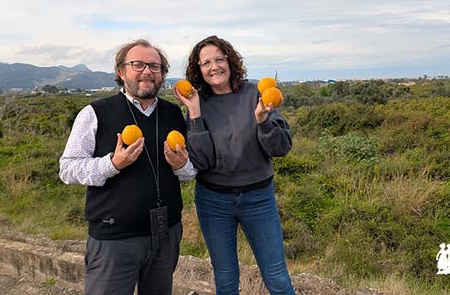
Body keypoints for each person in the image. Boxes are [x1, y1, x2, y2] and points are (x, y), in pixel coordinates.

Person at [59, 39, 195, 295]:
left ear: (163, 74)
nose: (147, 71)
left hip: (165, 234)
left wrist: (182, 165)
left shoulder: (173, 113)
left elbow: (188, 173)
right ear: (121, 72)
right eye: (138, 64)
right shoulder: (95, 113)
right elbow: (67, 169)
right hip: (114, 238)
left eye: (155, 66)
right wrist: (112, 164)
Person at [173, 35, 295, 295]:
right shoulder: (198, 103)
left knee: (278, 279)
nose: (214, 67)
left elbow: (282, 147)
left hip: (258, 199)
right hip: (213, 201)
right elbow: (202, 161)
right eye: (205, 63)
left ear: (230, 61)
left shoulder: (256, 93)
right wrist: (194, 112)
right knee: (226, 281)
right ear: (198, 69)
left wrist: (263, 121)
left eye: (219, 59)